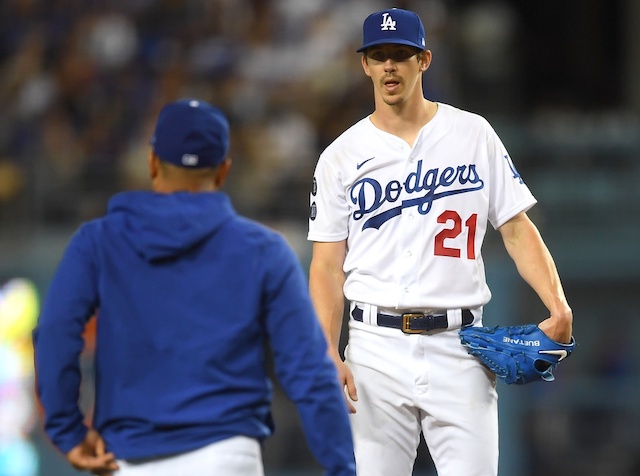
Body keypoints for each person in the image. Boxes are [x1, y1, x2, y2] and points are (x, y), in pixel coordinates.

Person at [307, 8, 573, 476]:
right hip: (374, 348)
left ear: (424, 60)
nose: (390, 65)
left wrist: (558, 304)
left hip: (460, 345)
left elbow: (515, 227)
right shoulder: (339, 157)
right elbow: (327, 264)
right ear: (365, 65)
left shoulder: (473, 134)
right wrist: (326, 349)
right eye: (379, 55)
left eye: (401, 55)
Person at [33, 98, 356, 476]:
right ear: (223, 171)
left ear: (152, 163)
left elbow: (56, 333)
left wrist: (68, 431)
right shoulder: (264, 250)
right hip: (227, 456)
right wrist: (341, 467)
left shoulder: (98, 241)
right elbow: (309, 372)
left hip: (130, 458)